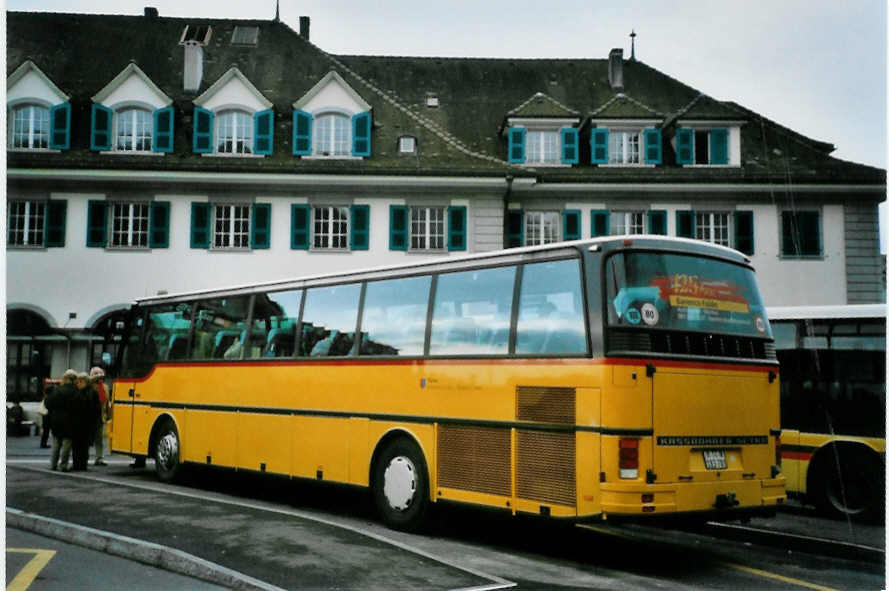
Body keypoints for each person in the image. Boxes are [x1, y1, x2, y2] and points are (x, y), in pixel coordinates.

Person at [46, 369, 77, 471]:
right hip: (70, 420)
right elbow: (80, 406)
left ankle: (53, 464)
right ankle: (63, 465)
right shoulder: (76, 391)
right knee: (66, 444)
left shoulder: (57, 390)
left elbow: (48, 404)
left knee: (56, 443)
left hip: (56, 419)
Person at [70, 372, 101, 472]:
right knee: (79, 446)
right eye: (77, 381)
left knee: (81, 446)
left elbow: (95, 409)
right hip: (81, 423)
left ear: (85, 382)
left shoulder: (88, 393)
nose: (78, 383)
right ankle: (79, 464)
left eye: (80, 381)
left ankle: (80, 464)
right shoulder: (90, 392)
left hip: (84, 423)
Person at [90, 367, 109, 466]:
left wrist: (108, 414)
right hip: (90, 416)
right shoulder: (89, 386)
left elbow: (106, 402)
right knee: (87, 438)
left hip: (100, 416)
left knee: (99, 439)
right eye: (97, 375)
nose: (99, 378)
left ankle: (99, 457)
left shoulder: (104, 387)